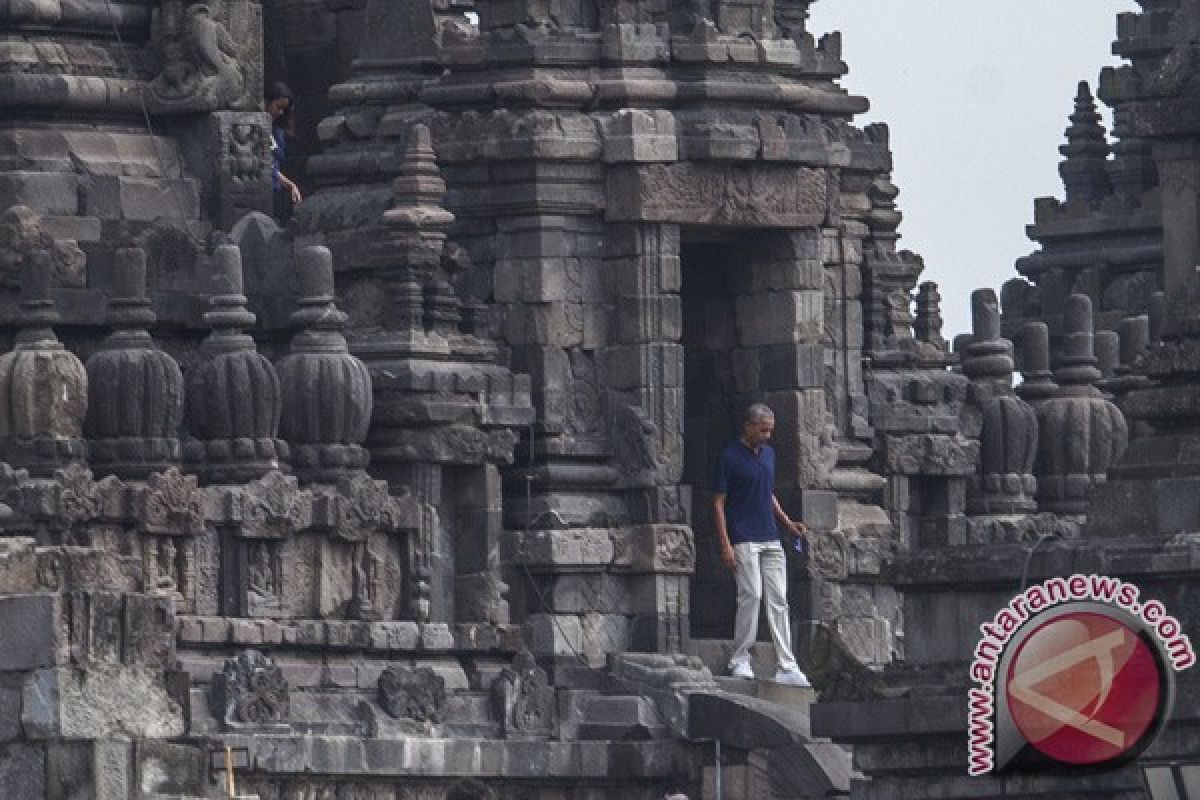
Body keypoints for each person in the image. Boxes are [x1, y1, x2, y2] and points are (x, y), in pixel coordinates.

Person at [712, 403, 811, 686]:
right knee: (751, 595)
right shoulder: (729, 457)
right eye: (763, 430)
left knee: (779, 598)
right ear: (748, 427)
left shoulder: (769, 455)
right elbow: (718, 503)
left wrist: (787, 523)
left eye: (770, 430)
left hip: (770, 535)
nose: (768, 436)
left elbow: (768, 493)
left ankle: (787, 665)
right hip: (743, 536)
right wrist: (725, 544)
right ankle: (740, 658)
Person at [265, 81, 302, 225]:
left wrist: (290, 184)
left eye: (284, 110)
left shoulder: (277, 130)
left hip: (275, 187)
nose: (280, 113)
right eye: (278, 107)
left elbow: (273, 166)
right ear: (267, 101)